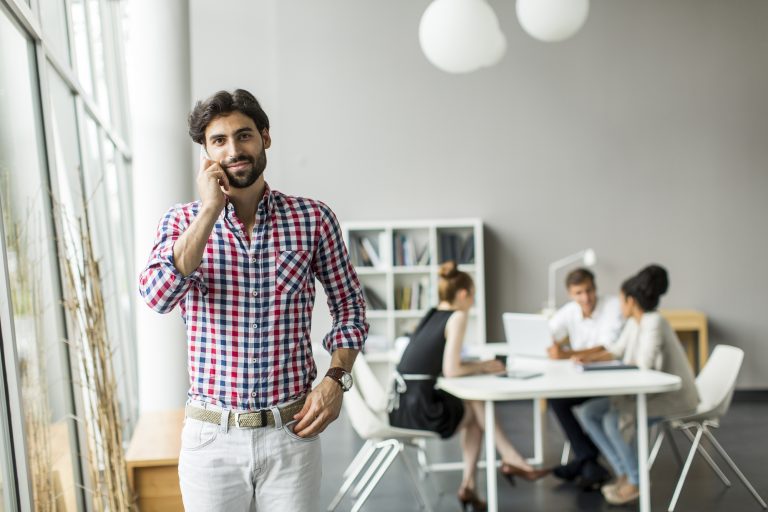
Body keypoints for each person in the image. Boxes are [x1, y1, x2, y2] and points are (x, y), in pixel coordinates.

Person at [138, 89, 368, 511]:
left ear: (265, 137)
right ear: (206, 153)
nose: (233, 149)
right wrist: (209, 212)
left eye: (243, 135)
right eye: (219, 141)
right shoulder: (180, 221)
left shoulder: (312, 218)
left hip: (291, 434)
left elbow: (350, 307)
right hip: (211, 440)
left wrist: (336, 380)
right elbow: (158, 296)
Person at [389, 261, 548, 511]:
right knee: (477, 407)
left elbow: (437, 362)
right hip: (421, 411)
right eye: (473, 296)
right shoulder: (457, 316)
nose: (473, 301)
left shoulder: (432, 314)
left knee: (475, 411)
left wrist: (475, 364)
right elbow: (452, 370)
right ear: (463, 294)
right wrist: (484, 366)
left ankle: (471, 484)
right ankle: (509, 458)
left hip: (401, 405)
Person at [573, 265, 699, 505]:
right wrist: (588, 359)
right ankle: (624, 472)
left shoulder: (654, 322)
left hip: (673, 397)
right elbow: (617, 351)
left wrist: (619, 364)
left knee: (612, 421)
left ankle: (637, 481)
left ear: (631, 301)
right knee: (589, 412)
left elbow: (644, 365)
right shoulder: (634, 322)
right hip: (646, 395)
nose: (620, 306)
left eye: (621, 300)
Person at [546, 268, 624, 489]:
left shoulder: (612, 306)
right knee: (557, 400)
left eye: (589, 291)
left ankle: (582, 463)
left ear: (595, 288)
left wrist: (564, 354)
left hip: (611, 381)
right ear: (571, 294)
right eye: (579, 293)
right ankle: (587, 461)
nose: (586, 298)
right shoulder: (570, 311)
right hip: (584, 379)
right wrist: (551, 344)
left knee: (585, 410)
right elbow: (548, 333)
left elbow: (606, 347)